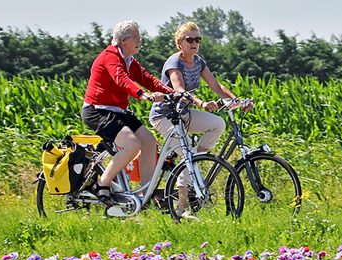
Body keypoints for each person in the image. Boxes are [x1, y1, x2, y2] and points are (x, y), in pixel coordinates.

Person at [149, 21, 244, 219]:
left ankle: (198, 158)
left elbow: (216, 86)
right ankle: (182, 208)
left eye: (197, 39)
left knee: (218, 124)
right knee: (187, 156)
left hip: (183, 114)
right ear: (179, 43)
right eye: (190, 39)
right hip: (165, 116)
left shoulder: (199, 62)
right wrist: (201, 103)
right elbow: (179, 88)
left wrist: (237, 101)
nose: (194, 43)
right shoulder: (174, 63)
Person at [81, 20, 173, 204]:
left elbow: (147, 79)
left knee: (148, 141)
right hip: (97, 110)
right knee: (132, 144)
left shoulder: (129, 60)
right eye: (136, 38)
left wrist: (173, 93)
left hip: (117, 111)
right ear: (123, 40)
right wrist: (143, 95)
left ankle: (145, 194)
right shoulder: (110, 56)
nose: (140, 41)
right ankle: (103, 183)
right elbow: (121, 79)